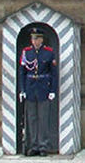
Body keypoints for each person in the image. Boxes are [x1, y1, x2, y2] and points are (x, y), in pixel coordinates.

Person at [19, 27, 58, 157]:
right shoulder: (27, 52)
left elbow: (53, 73)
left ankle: (43, 146)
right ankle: (32, 145)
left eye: (37, 38)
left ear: (41, 39)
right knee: (31, 118)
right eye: (33, 38)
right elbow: (22, 73)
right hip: (30, 88)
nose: (34, 41)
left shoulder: (48, 52)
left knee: (43, 118)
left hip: (43, 88)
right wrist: (22, 89)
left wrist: (52, 90)